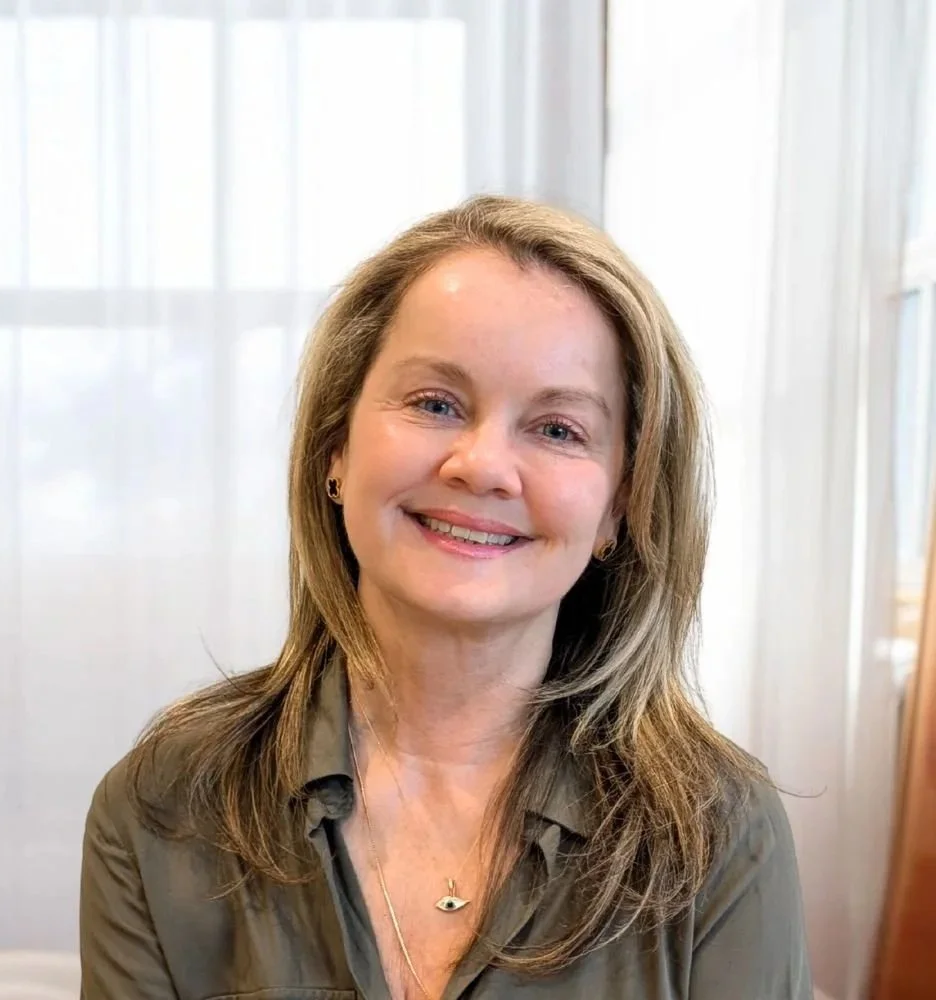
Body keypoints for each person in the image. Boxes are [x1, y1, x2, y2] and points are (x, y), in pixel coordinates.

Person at [80, 196, 813, 999]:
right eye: (435, 404)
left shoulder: (715, 833)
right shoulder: (163, 806)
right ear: (335, 446)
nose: (483, 466)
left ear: (618, 506)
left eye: (558, 429)